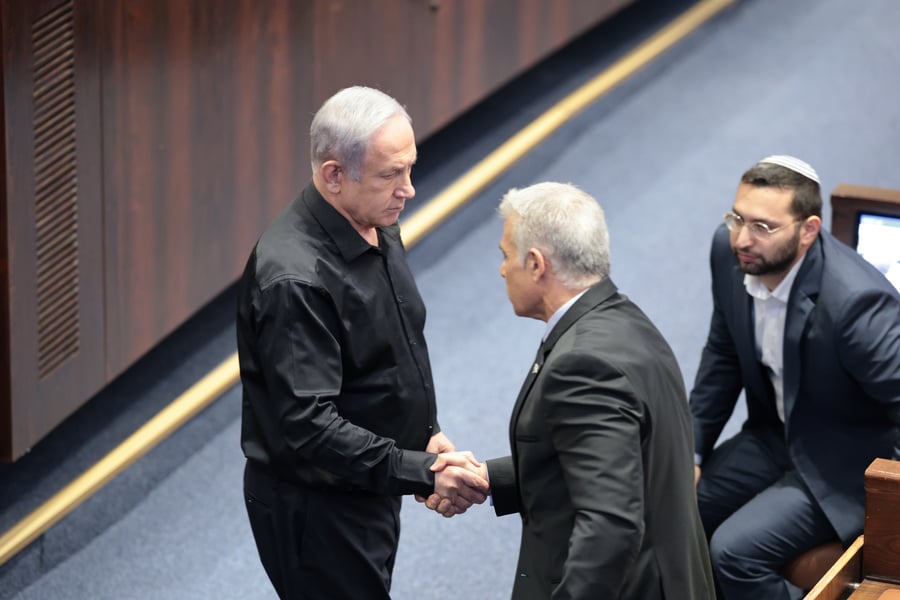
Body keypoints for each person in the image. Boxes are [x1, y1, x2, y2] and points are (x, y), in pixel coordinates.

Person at [236, 86, 488, 600]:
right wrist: (419, 471)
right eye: (390, 174)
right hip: (318, 511)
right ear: (333, 175)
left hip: (369, 479)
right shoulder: (295, 280)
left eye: (410, 169)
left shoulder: (374, 222)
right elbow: (310, 427)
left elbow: (389, 351)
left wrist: (424, 435)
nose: (409, 189)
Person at [426, 182, 715, 598]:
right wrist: (491, 478)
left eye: (506, 256)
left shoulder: (583, 364)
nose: (502, 269)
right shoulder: (623, 318)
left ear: (536, 264)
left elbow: (610, 528)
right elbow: (618, 460)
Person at [690, 155, 900, 599]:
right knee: (677, 509)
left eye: (763, 226)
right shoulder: (730, 254)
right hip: (775, 436)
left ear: (808, 230)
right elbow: (723, 354)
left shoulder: (857, 305)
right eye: (737, 219)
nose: (743, 239)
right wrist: (691, 449)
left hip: (842, 461)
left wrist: (886, 501)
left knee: (734, 553)